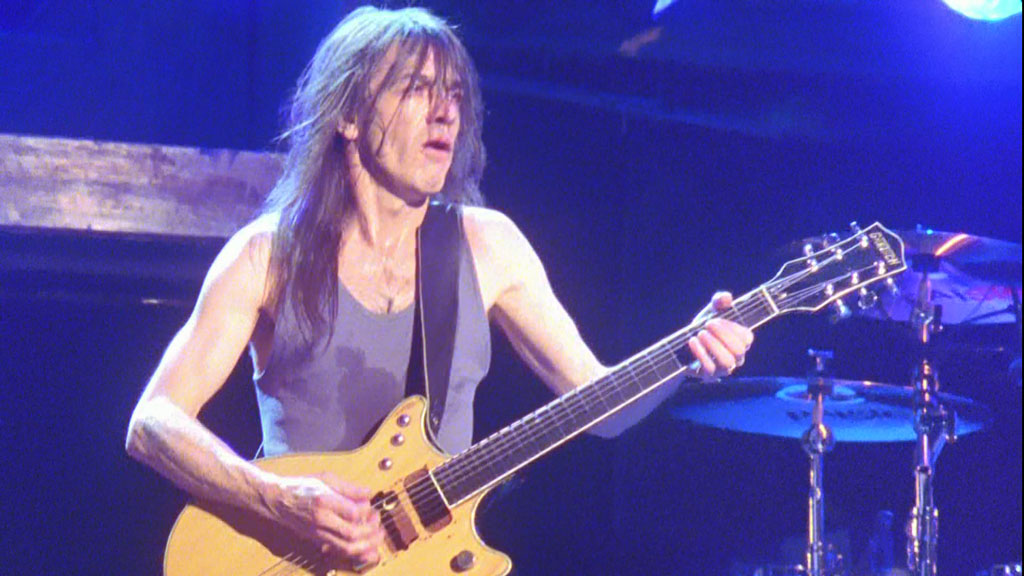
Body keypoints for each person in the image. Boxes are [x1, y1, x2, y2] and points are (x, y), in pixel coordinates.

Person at [125, 5, 753, 568]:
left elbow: (600, 406)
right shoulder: (268, 254)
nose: (446, 112)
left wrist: (687, 354)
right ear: (348, 115)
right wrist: (280, 498)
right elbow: (153, 421)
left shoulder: (489, 245)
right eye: (417, 89)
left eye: (453, 93)